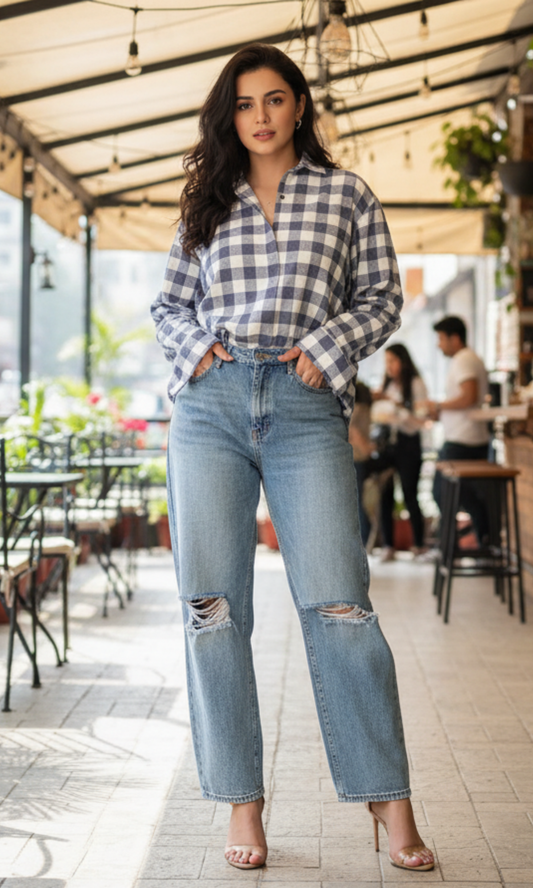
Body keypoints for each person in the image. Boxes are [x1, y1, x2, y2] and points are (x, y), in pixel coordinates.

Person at [151, 43, 434, 874]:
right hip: (210, 407)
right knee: (213, 609)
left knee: (341, 604)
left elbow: (382, 293)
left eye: (275, 99)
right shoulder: (205, 200)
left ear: (300, 106)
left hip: (308, 406)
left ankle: (389, 800)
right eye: (244, 104)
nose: (261, 116)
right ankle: (243, 803)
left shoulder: (345, 194)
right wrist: (199, 350)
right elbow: (168, 302)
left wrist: (328, 344)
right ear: (228, 114)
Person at [427, 316, 490, 544]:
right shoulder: (466, 359)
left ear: (455, 338)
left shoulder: (464, 359)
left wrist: (438, 405)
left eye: (441, 338)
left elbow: (469, 396)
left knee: (442, 492)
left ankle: (451, 546)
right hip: (467, 438)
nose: (438, 344)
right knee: (458, 494)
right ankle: (479, 536)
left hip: (463, 441)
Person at [373, 344, 428, 561]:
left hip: (409, 444)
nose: (389, 367)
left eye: (393, 361)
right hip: (389, 446)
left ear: (403, 362)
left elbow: (420, 421)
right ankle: (388, 544)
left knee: (409, 493)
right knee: (385, 493)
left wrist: (397, 408)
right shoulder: (387, 387)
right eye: (387, 362)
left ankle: (420, 544)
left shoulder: (415, 384)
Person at [348, 381, 374, 546]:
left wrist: (365, 448)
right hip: (362, 459)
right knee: (359, 501)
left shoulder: (356, 410)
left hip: (355, 457)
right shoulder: (368, 410)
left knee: (356, 502)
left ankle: (361, 539)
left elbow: (354, 432)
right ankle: (363, 538)